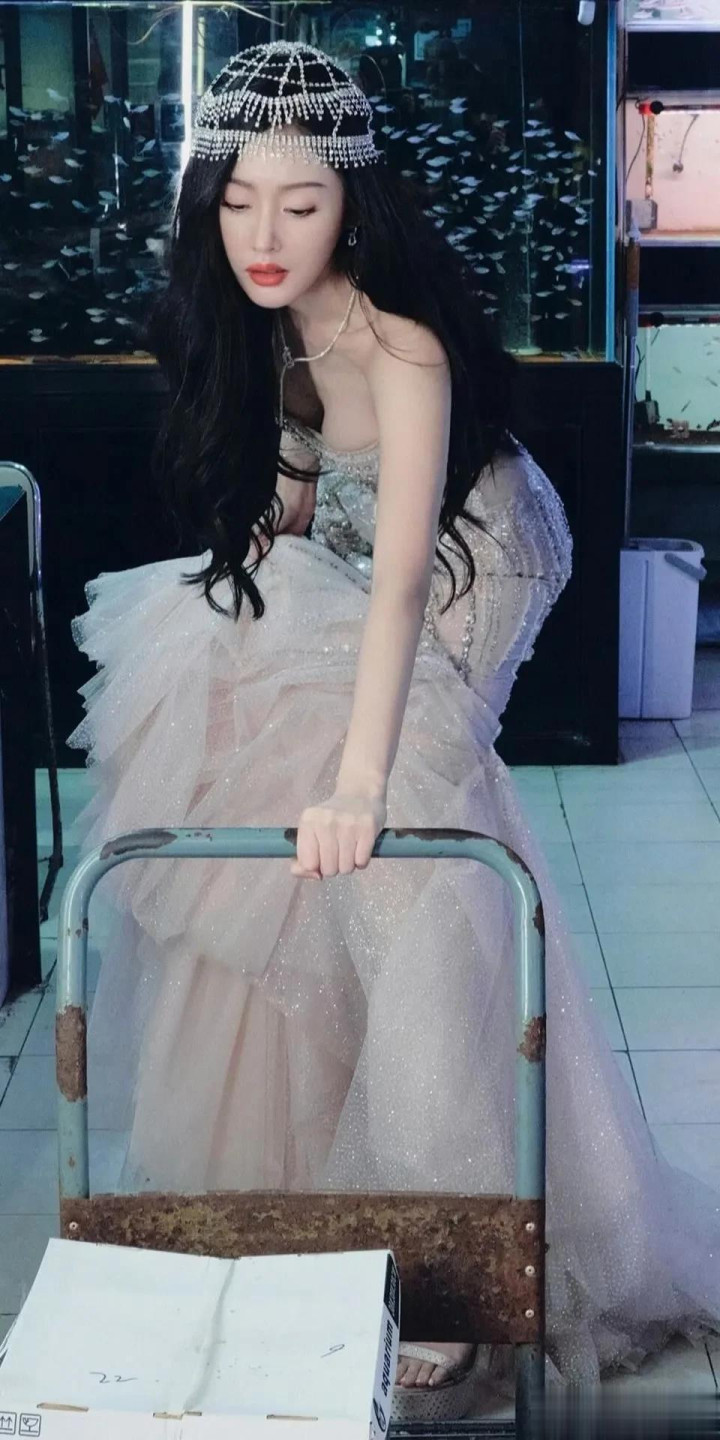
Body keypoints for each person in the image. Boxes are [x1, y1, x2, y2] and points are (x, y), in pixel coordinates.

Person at [68, 40, 720, 1424]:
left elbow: (412, 580)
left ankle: (456, 1271)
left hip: (484, 563)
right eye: (240, 201)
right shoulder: (267, 325)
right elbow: (301, 497)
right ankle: (314, 1184)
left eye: (301, 205)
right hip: (366, 558)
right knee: (216, 660)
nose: (265, 234)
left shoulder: (404, 344)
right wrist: (255, 594)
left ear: (353, 209)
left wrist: (361, 779)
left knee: (413, 832)